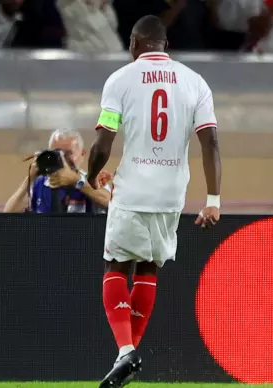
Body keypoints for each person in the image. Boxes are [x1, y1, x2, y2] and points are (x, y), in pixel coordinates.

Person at [86, 15, 221, 387]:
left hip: (133, 190)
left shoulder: (121, 79)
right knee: (148, 268)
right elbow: (210, 142)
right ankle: (125, 358)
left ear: (133, 44)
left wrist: (88, 174)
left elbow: (103, 141)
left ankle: (125, 351)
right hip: (171, 193)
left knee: (115, 265)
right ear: (166, 46)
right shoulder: (194, 82)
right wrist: (213, 199)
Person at [3, 129, 112, 214]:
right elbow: (8, 214)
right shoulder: (39, 184)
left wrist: (77, 181)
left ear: (82, 154)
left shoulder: (92, 180)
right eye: (57, 153)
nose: (63, 159)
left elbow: (112, 204)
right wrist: (30, 179)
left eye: (68, 153)